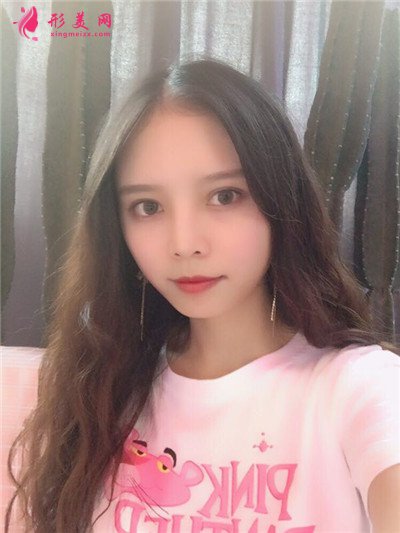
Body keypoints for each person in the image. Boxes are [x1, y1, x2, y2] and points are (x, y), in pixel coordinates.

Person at [4, 58, 400, 533]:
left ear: (280, 198)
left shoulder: (357, 386)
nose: (185, 243)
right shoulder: (104, 387)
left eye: (224, 196)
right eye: (148, 206)